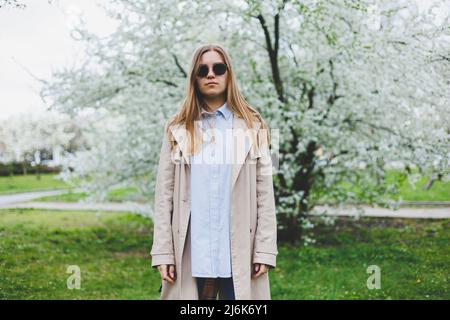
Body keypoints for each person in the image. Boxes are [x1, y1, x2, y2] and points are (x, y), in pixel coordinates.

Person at [150, 43, 278, 300]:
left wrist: (264, 250)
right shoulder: (177, 128)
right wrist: (163, 252)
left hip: (238, 249)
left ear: (229, 73)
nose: (211, 74)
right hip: (191, 251)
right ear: (194, 78)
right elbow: (164, 196)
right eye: (203, 69)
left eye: (218, 68)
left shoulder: (255, 125)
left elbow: (266, 195)